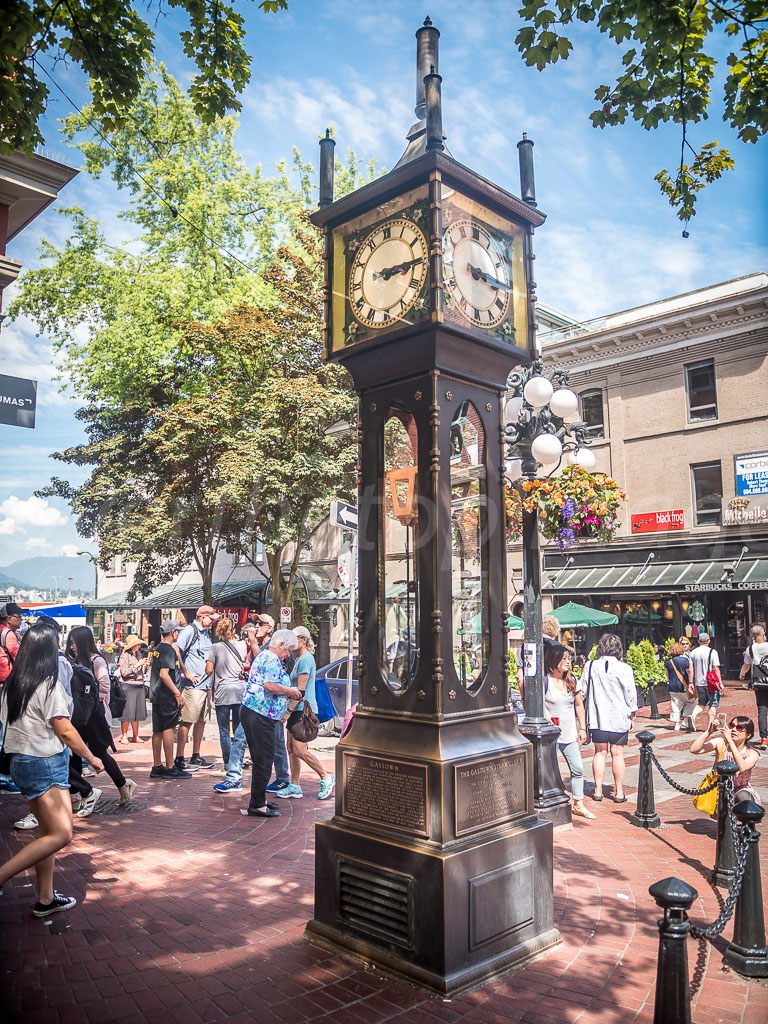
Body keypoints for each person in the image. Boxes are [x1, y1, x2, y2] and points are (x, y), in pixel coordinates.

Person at [0, 623, 104, 916]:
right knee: (61, 834)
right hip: (45, 762)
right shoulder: (48, 684)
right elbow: (65, 729)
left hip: (22, 762)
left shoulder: (12, 685)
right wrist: (92, 758)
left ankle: (45, 899)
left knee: (46, 832)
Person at [66, 625, 136, 808]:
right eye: (70, 642)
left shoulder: (96, 661)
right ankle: (75, 796)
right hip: (77, 717)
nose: (72, 646)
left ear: (83, 642)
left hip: (94, 717)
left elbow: (104, 688)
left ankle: (123, 785)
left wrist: (86, 703)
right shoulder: (73, 660)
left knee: (99, 753)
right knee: (74, 753)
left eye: (74, 642)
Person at [239, 629, 302, 818]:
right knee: (264, 760)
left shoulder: (264, 655)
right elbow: (270, 685)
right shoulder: (273, 659)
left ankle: (259, 799)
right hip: (260, 714)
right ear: (281, 645)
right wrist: (290, 691)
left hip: (254, 711)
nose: (288, 655)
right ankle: (257, 804)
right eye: (289, 650)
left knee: (261, 759)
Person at [213, 616, 273, 795]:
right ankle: (234, 778)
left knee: (270, 747)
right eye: (256, 623)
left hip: (264, 705)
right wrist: (246, 677)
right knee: (241, 739)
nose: (256, 626)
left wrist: (253, 640)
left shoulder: (267, 649)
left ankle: (283, 780)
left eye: (260, 624)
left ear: (269, 628)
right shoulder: (257, 647)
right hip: (251, 700)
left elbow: (262, 663)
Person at [279, 626, 335, 801]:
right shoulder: (299, 659)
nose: (291, 642)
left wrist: (287, 711)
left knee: (299, 749)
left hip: (302, 711)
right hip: (297, 709)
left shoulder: (305, 660)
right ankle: (294, 785)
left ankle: (326, 777)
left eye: (295, 639)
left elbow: (300, 691)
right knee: (291, 749)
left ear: (303, 640)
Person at [583, 633, 638, 803]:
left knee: (600, 752)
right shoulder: (625, 668)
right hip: (619, 715)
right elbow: (631, 694)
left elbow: (583, 690)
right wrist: (632, 715)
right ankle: (619, 791)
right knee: (617, 754)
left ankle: (598, 790)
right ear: (618, 649)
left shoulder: (590, 666)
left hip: (597, 716)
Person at [543, 643, 594, 820]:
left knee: (578, 768)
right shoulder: (545, 681)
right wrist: (546, 713)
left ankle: (578, 803)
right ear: (553, 661)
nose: (568, 662)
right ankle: (549, 802)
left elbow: (579, 705)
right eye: (563, 658)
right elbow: (537, 702)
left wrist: (582, 728)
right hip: (551, 735)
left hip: (569, 733)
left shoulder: (572, 680)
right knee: (548, 771)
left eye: (568, 658)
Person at [172, 606, 218, 771]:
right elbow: (176, 649)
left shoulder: (207, 633)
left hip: (206, 686)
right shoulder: (190, 631)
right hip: (193, 686)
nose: (213, 623)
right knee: (187, 721)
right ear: (203, 617)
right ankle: (179, 757)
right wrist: (186, 672)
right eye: (211, 619)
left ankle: (196, 755)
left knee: (201, 721)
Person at [148, 620, 194, 779]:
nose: (178, 634)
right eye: (177, 632)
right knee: (168, 729)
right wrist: (177, 693)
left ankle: (157, 765)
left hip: (157, 694)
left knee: (158, 730)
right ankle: (170, 766)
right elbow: (164, 674)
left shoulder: (158, 648)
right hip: (167, 696)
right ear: (173, 632)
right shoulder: (168, 650)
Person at [690, 715, 761, 805]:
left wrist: (730, 741)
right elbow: (694, 749)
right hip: (720, 788)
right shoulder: (720, 743)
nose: (734, 729)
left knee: (743, 798)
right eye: (732, 725)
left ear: (748, 735)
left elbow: (742, 767)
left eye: (739, 728)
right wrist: (709, 731)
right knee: (722, 813)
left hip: (741, 789)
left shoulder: (752, 753)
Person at [205, 617, 247, 766]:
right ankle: (237, 761)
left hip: (223, 691)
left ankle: (228, 763)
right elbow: (244, 663)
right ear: (233, 630)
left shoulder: (214, 648)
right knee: (238, 728)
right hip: (239, 690)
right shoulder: (242, 645)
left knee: (224, 730)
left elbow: (208, 670)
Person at [0, 602, 23, 794]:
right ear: (9, 619)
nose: (21, 621)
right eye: (19, 617)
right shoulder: (8, 634)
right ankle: (2, 777)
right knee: (3, 731)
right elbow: (21, 657)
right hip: (5, 686)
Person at [117, 635, 150, 744]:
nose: (138, 646)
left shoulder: (139, 654)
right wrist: (137, 665)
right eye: (136, 644)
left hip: (139, 684)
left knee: (137, 712)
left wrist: (145, 665)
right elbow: (124, 672)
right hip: (128, 685)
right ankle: (124, 735)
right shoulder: (124, 656)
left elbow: (142, 671)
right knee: (127, 712)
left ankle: (136, 735)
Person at [740, 623, 768, 747]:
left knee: (762, 709)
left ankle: (764, 739)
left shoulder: (750, 648)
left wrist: (742, 673)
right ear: (764, 633)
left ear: (753, 635)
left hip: (760, 682)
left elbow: (746, 664)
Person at [664, 641, 697, 732]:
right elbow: (689, 672)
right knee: (691, 702)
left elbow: (667, 675)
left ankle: (676, 723)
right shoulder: (685, 661)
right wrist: (691, 682)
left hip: (673, 686)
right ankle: (685, 719)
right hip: (683, 685)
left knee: (675, 705)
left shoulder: (668, 662)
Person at [690, 632, 723, 722]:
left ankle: (693, 716)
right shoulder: (713, 652)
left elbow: (690, 669)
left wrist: (690, 683)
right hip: (711, 682)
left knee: (701, 703)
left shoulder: (693, 652)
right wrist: (720, 682)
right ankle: (709, 726)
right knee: (713, 704)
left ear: (699, 641)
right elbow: (716, 668)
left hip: (699, 682)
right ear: (708, 641)